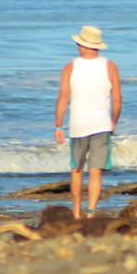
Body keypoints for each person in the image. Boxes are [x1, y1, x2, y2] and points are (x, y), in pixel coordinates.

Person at [54, 26, 122, 219]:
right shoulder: (109, 66)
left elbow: (63, 97)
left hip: (78, 124)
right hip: (101, 123)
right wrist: (113, 121)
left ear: (81, 44)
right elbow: (117, 99)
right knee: (95, 172)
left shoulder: (71, 66)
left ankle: (76, 213)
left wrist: (58, 124)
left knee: (76, 170)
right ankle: (91, 212)